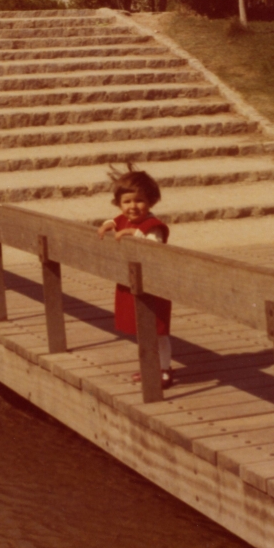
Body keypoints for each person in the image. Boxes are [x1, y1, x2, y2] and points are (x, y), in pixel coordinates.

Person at [97, 166, 174, 389]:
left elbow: (154, 246)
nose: (132, 207)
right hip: (134, 285)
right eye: (126, 202)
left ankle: (165, 369)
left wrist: (134, 234)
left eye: (139, 201)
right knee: (142, 330)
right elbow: (117, 220)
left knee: (157, 332)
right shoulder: (123, 217)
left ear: (151, 201)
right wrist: (108, 223)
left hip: (153, 287)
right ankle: (150, 366)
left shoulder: (153, 226)